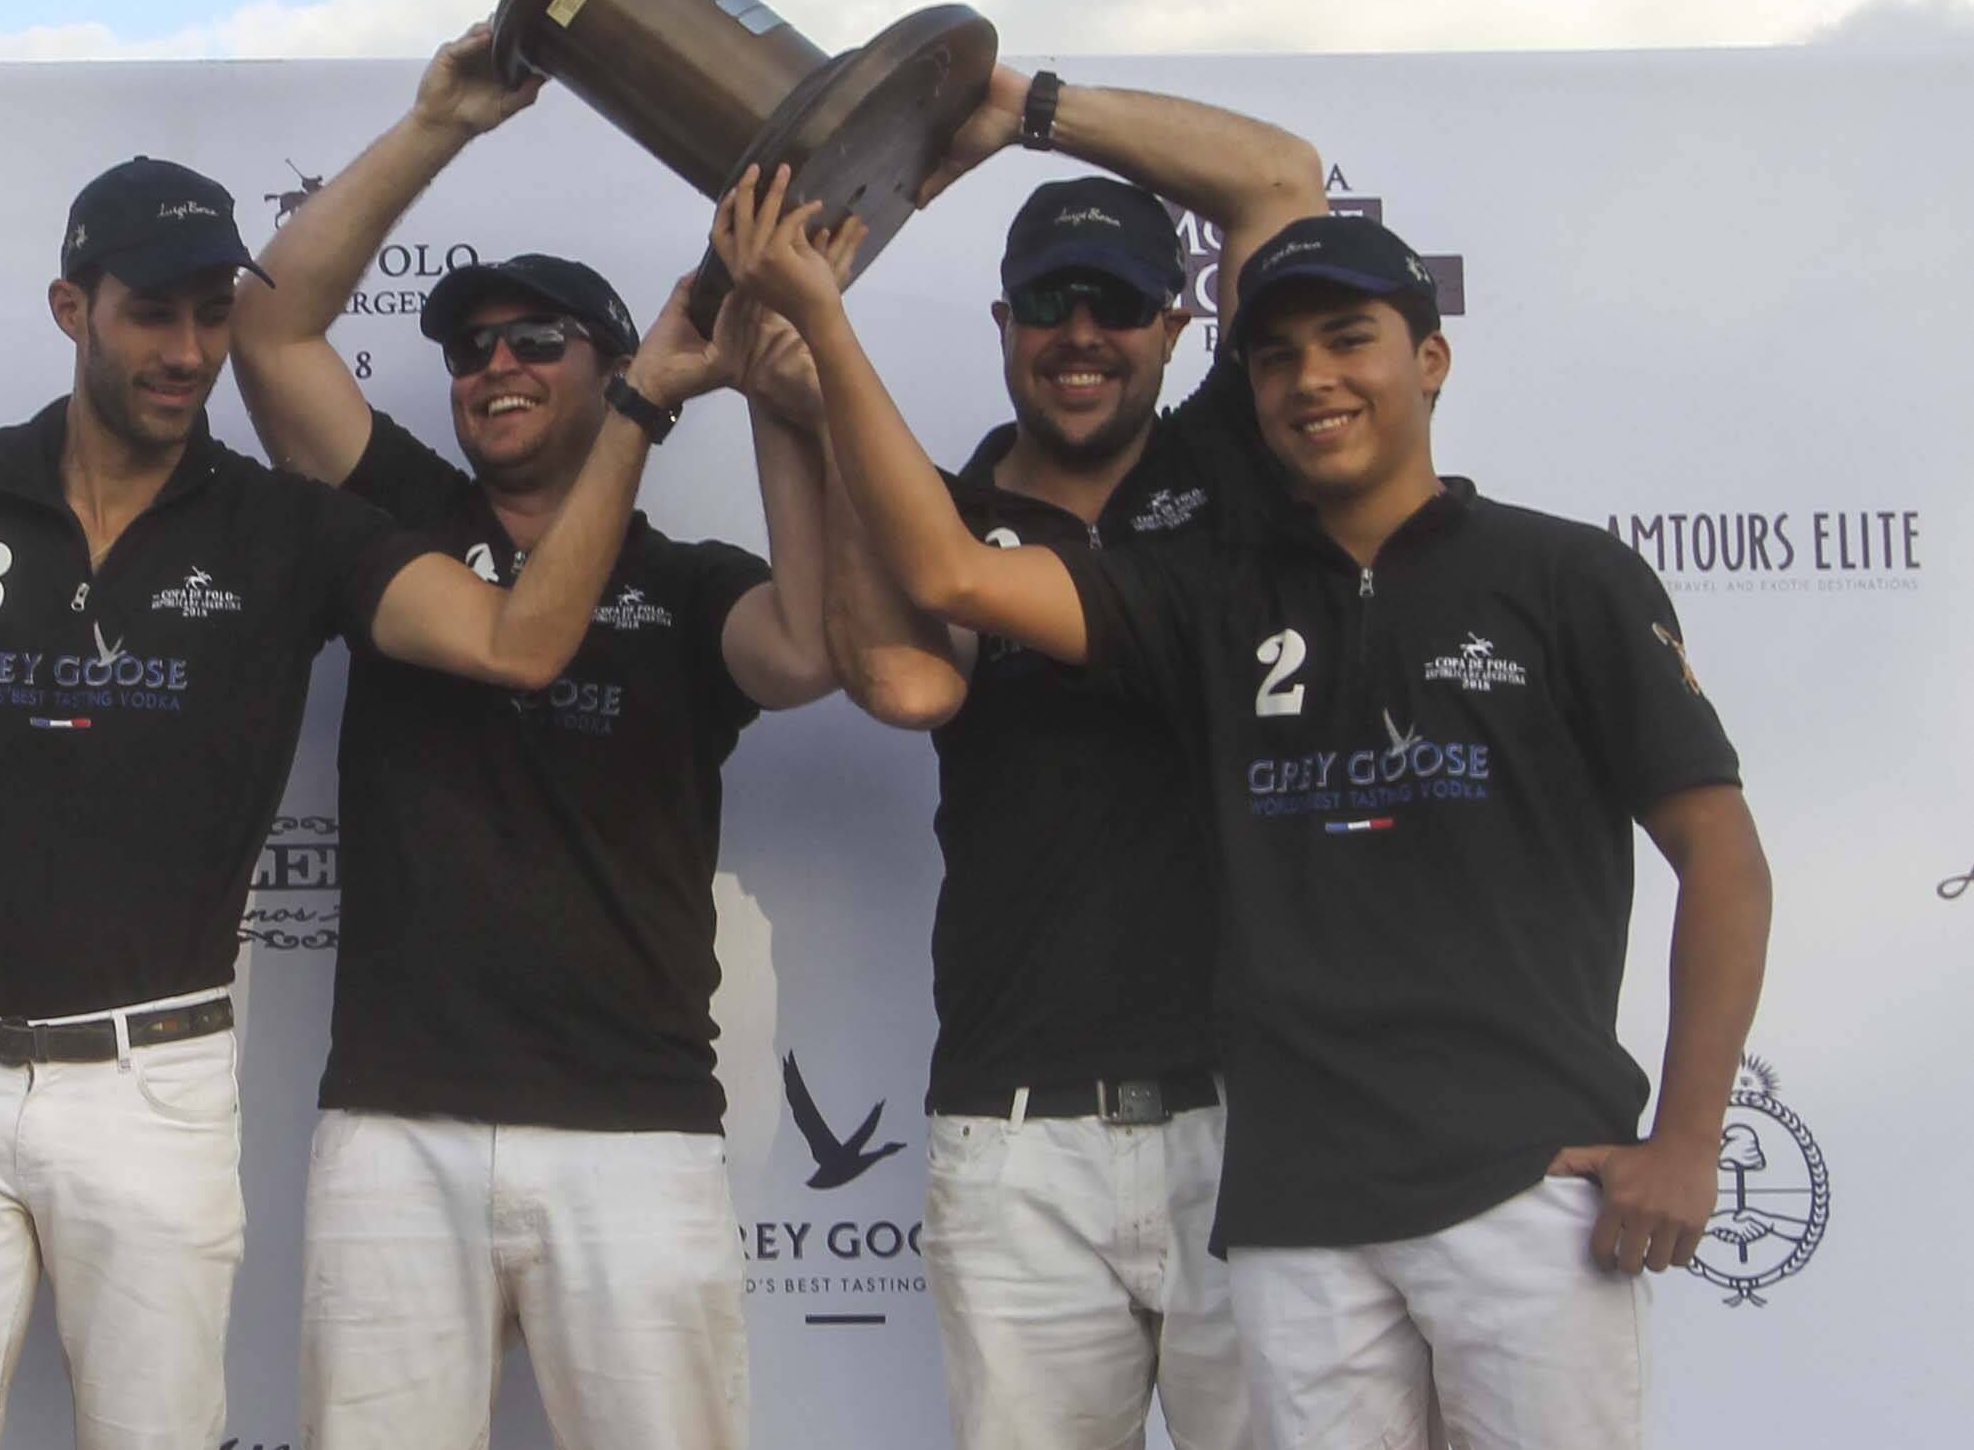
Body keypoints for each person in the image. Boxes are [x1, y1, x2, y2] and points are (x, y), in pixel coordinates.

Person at [728, 167, 1774, 1450]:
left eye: (1346, 342)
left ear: (1430, 358)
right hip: (1279, 1196)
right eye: (1276, 357)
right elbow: (937, 595)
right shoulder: (1212, 595)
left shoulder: (1561, 574)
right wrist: (812, 354)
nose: (1310, 380)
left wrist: (1688, 1136)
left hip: (1491, 1168)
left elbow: (1719, 855)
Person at [0, 155, 728, 1450]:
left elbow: (517, 643)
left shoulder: (289, 526)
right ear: (71, 308)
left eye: (209, 314)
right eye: (150, 314)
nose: (187, 352)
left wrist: (637, 404)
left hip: (151, 1080)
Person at [227, 28, 850, 1450]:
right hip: (398, 1125)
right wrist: (439, 121)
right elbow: (268, 333)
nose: (491, 366)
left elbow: (809, 650)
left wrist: (766, 395)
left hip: (631, 1129)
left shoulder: (686, 585)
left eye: (533, 342)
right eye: (468, 349)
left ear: (617, 367)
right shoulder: (401, 518)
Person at [817, 68, 1325, 1450]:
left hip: (1253, 1116)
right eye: (1050, 302)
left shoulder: (1237, 458)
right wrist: (802, 389)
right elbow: (900, 682)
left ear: (1177, 324)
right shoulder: (939, 518)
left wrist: (1017, 104)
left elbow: (1279, 179)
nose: (1082, 335)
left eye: (1117, 303)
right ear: (1003, 325)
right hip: (1017, 1128)